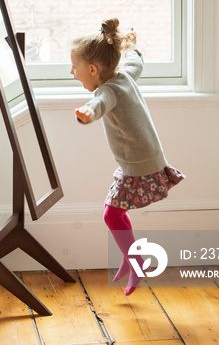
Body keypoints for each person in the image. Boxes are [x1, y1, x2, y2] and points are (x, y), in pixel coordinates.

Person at [70, 17, 185, 296]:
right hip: (144, 158)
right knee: (117, 212)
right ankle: (130, 256)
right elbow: (136, 62)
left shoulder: (108, 90)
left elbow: (100, 103)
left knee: (111, 215)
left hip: (139, 165)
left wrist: (88, 113)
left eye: (75, 68)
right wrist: (133, 46)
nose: (72, 73)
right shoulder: (122, 75)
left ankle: (136, 262)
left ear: (94, 69)